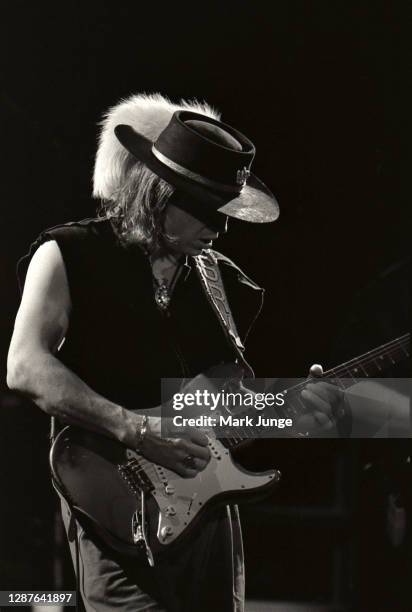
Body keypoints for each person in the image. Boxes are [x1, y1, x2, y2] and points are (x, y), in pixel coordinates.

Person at [7, 93, 341, 611]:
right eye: (207, 208)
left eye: (226, 210)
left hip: (208, 513)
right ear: (158, 191)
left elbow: (225, 408)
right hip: (111, 502)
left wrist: (297, 411)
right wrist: (136, 429)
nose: (222, 227)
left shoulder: (224, 281)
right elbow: (25, 367)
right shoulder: (68, 253)